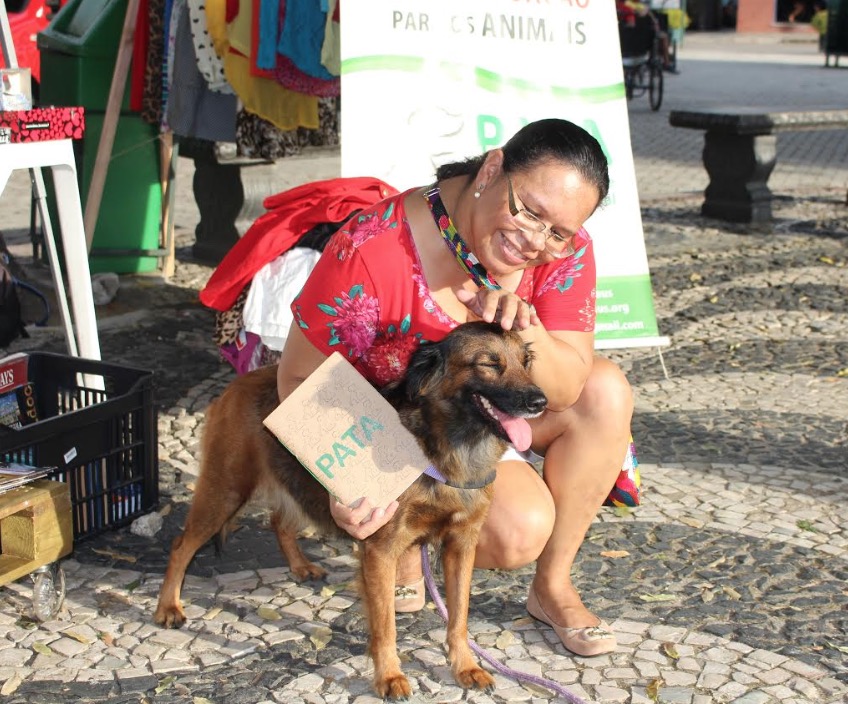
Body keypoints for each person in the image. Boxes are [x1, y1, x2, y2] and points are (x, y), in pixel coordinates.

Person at [275, 118, 634, 657]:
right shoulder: (373, 248)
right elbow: (298, 377)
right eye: (529, 211)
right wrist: (352, 476)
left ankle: (552, 585)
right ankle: (402, 542)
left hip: (485, 415)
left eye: (557, 231)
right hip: (391, 430)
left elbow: (567, 388)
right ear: (492, 169)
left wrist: (527, 328)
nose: (535, 241)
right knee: (503, 525)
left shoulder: (567, 251)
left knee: (604, 393)